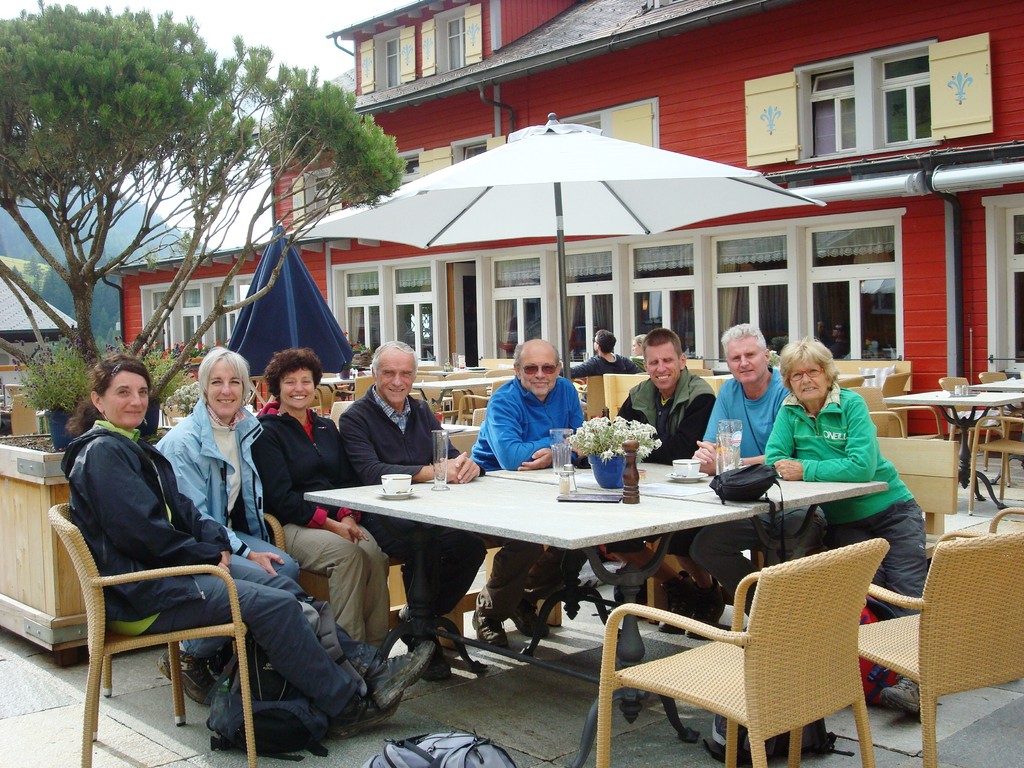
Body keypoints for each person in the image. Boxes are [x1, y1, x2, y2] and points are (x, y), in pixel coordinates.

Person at [60, 353, 431, 738]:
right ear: (98, 400)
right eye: (123, 392)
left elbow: (186, 512)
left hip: (168, 575)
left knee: (284, 584)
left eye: (141, 392)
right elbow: (142, 534)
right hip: (143, 591)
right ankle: (346, 704)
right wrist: (207, 553)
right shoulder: (103, 453)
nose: (136, 401)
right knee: (274, 606)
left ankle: (366, 666)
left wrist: (223, 543)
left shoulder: (131, 445)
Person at [765, 337, 928, 715]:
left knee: (905, 589)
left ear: (827, 374)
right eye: (796, 374)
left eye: (813, 371)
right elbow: (776, 460)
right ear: (788, 382)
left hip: (892, 510)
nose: (806, 380)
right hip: (845, 519)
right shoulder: (789, 412)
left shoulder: (852, 405)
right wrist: (804, 468)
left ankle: (915, 682)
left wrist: (807, 468)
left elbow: (862, 468)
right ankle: (875, 674)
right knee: (865, 594)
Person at [338, 341, 487, 680]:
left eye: (406, 373)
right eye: (389, 373)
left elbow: (446, 452)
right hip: (380, 512)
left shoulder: (420, 411)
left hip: (429, 509)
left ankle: (423, 618)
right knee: (427, 545)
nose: (397, 381)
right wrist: (431, 471)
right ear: (374, 374)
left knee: (470, 546)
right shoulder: (355, 418)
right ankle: (423, 639)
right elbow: (371, 472)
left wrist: (469, 465)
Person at [157, 348, 300, 696]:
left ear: (246, 388)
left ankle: (236, 653)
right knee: (270, 578)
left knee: (287, 568)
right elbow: (196, 518)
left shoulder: (244, 427)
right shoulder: (183, 443)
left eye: (234, 382)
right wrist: (247, 553)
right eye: (217, 382)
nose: (226, 391)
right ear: (203, 388)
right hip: (192, 544)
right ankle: (190, 654)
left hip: (225, 531)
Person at [250, 347, 390, 646]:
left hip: (336, 519)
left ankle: (377, 648)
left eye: (305, 380)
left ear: (315, 385)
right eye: (290, 381)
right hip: (292, 524)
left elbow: (345, 480)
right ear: (277, 387)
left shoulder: (326, 427)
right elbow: (281, 498)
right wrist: (331, 524)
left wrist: (349, 515)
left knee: (375, 555)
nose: (299, 388)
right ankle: (348, 652)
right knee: (349, 556)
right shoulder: (266, 432)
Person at [688, 325, 823, 614]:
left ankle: (781, 628)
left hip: (796, 500)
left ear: (767, 356)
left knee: (781, 544)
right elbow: (713, 448)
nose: (743, 363)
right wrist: (707, 457)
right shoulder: (728, 392)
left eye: (750, 355)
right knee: (704, 546)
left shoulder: (786, 392)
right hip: (749, 502)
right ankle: (768, 615)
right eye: (735, 358)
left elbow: (784, 460)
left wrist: (730, 464)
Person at [470, 339, 584, 646]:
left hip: (548, 486)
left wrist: (560, 450)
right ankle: (489, 611)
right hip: (495, 489)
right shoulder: (503, 401)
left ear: (559, 369)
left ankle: (525, 597)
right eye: (531, 368)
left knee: (585, 534)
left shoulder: (567, 391)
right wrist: (560, 446)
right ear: (517, 370)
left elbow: (584, 442)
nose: (540, 374)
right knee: (529, 539)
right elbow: (510, 457)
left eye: (548, 367)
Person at [615, 328, 725, 625]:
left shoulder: (701, 396)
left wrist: (637, 447)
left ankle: (706, 591)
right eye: (653, 363)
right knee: (616, 538)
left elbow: (683, 449)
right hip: (647, 488)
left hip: (691, 491)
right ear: (645, 364)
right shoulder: (639, 394)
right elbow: (618, 436)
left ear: (682, 360)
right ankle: (676, 585)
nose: (660, 369)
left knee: (681, 538)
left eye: (667, 361)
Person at [569, 329, 641, 378]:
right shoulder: (623, 361)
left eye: (594, 340)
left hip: (597, 399)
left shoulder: (594, 363)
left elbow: (573, 372)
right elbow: (639, 374)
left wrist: (558, 367)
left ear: (598, 346)